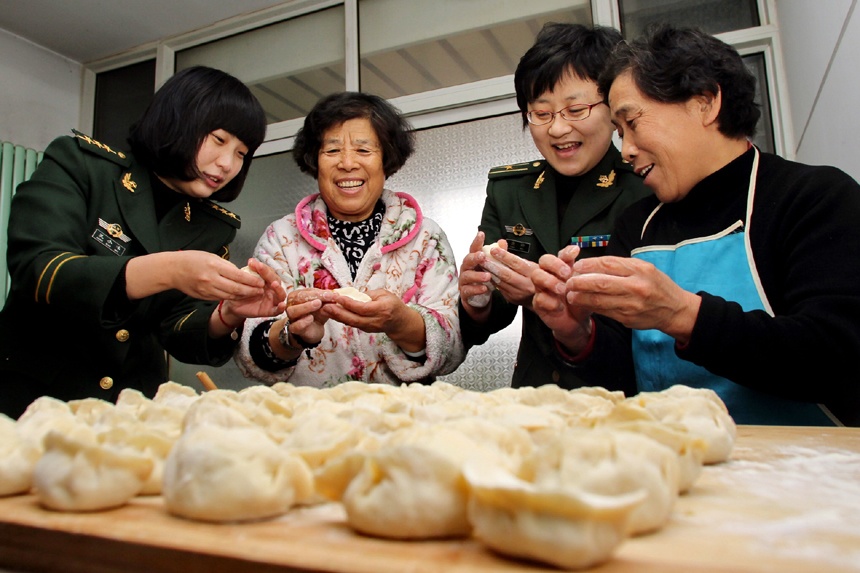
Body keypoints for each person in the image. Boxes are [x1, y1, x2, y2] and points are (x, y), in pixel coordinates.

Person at [532, 25, 860, 426]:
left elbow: (835, 358)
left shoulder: (813, 197)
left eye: (633, 123)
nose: (628, 150)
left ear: (704, 103)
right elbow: (624, 379)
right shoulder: (636, 226)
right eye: (620, 133)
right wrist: (577, 334)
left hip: (810, 473)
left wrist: (683, 314)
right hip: (679, 466)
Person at [0, 66, 287, 419]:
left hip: (128, 410)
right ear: (178, 120)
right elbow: (40, 269)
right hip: (31, 401)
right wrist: (169, 270)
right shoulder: (82, 164)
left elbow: (177, 327)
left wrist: (226, 314)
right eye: (218, 139)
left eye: (242, 153)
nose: (228, 163)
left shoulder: (211, 227)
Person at [457, 23, 650, 392]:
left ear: (613, 107)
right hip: (536, 396)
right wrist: (476, 299)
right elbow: (493, 312)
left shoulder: (643, 185)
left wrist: (554, 299)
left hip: (623, 395)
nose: (558, 129)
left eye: (575, 109)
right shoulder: (509, 190)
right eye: (541, 114)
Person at [235, 91, 464, 387]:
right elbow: (250, 350)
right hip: (310, 423)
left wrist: (401, 322)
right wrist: (291, 334)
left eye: (364, 150)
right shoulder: (281, 238)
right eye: (331, 151)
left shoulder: (426, 238)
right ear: (315, 161)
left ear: (387, 159)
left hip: (404, 421)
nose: (347, 163)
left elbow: (454, 346)